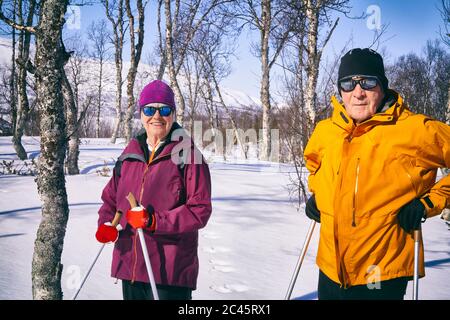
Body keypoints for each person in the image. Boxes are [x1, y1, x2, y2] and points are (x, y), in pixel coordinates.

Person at [303, 48, 450, 300]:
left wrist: (429, 203)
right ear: (340, 91)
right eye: (348, 84)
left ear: (382, 87)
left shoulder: (413, 129)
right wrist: (321, 195)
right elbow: (315, 166)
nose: (357, 93)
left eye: (368, 82)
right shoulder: (326, 130)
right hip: (330, 269)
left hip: (381, 272)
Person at [94, 79, 212, 300]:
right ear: (141, 114)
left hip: (169, 270)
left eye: (164, 109)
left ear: (173, 115)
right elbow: (110, 199)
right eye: (149, 109)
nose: (156, 116)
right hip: (130, 264)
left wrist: (153, 220)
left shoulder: (189, 156)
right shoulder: (129, 155)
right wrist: (107, 224)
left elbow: (200, 209)